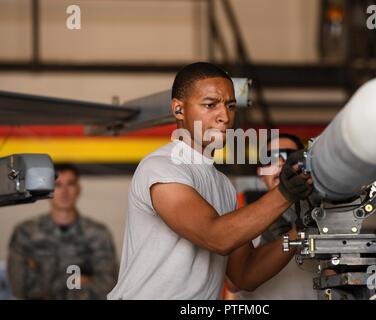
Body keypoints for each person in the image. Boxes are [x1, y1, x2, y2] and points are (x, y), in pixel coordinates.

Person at [108, 62, 313, 300]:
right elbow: (216, 237)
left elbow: (244, 275)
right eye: (210, 105)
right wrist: (286, 193)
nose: (224, 117)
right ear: (178, 109)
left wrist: (301, 231)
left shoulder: (223, 184)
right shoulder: (161, 167)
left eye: (230, 105)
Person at [7, 164, 118, 299]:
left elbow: (108, 285)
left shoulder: (98, 234)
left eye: (70, 184)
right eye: (58, 185)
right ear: (48, 190)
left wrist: (43, 275)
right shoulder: (25, 233)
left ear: (78, 189)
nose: (64, 192)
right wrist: (82, 279)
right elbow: (19, 288)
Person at [234, 133, 319, 300]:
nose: (280, 163)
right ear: (260, 171)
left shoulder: (325, 214)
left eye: (289, 156)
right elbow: (233, 283)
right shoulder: (239, 219)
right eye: (271, 158)